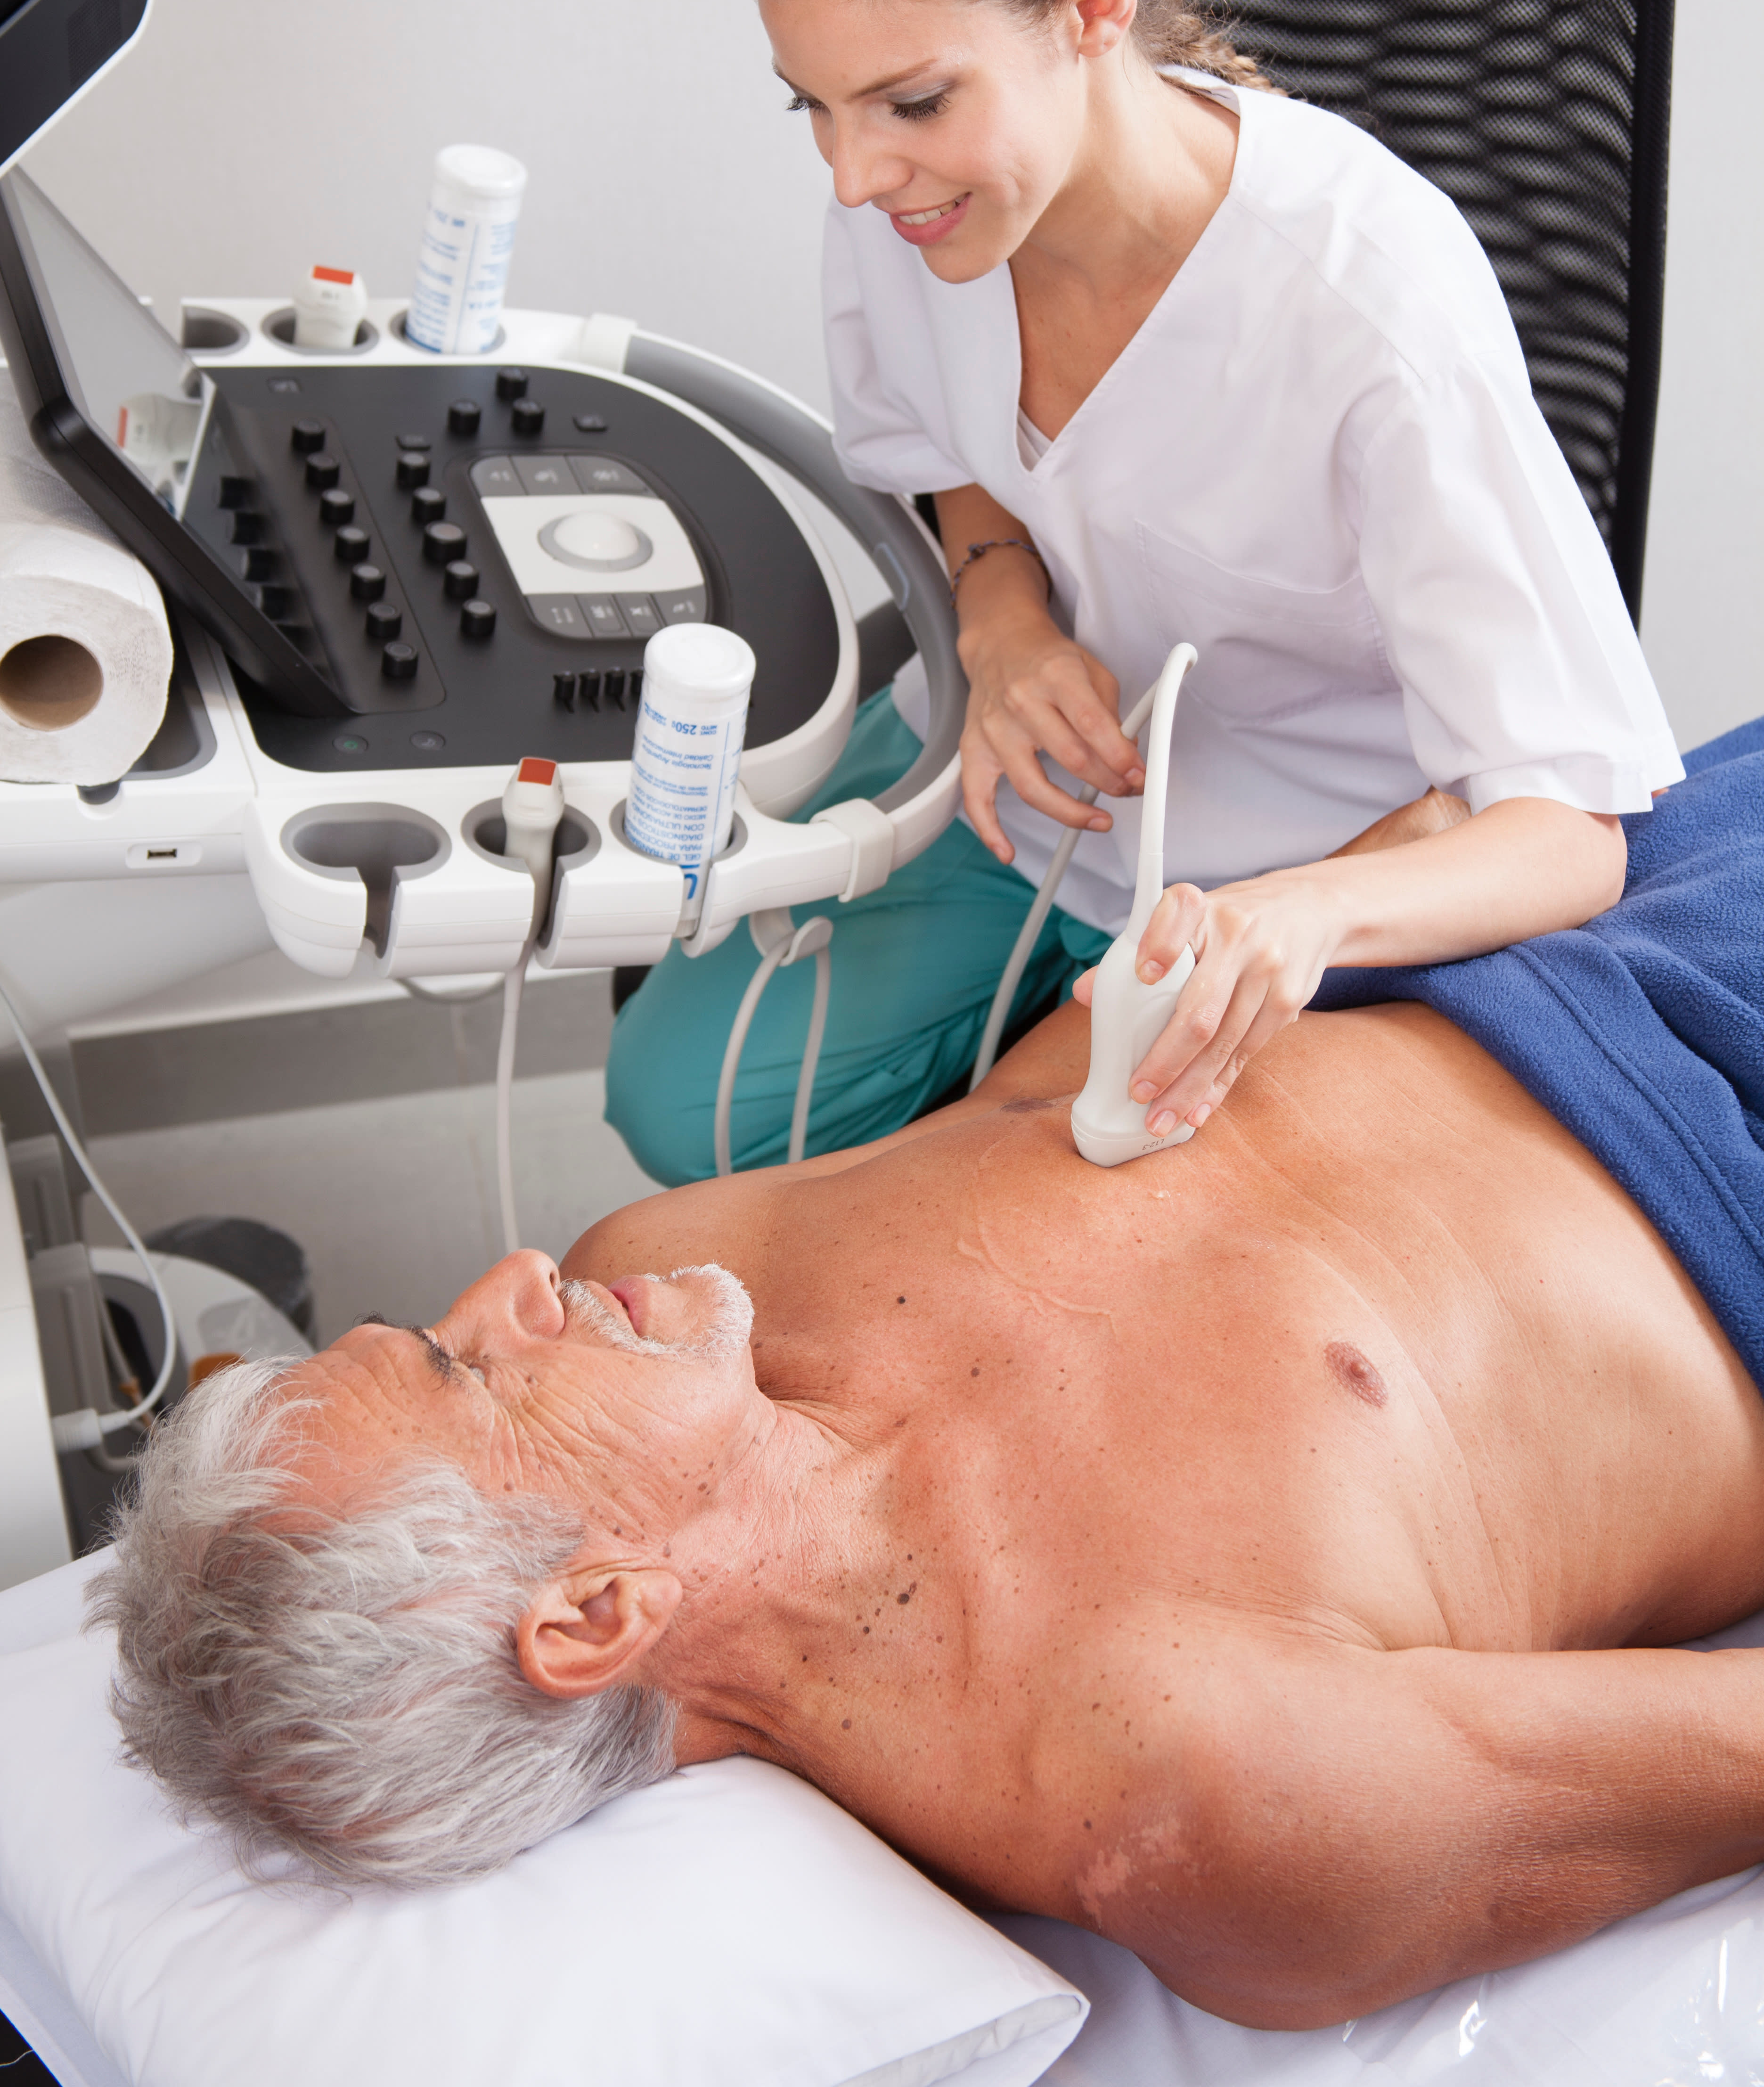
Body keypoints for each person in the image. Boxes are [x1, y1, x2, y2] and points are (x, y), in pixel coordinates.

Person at [98, 728, 1764, 2027]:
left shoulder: (679, 1259)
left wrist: (1417, 858)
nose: (516, 1281)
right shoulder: (1188, 1793)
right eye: (471, 1372)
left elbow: (1063, 1091)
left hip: (1587, 894)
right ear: (596, 1614)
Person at [606, 0, 1678, 1188]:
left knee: (1047, 1223)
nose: (852, 174)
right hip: (1030, 789)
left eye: (911, 102)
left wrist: (1301, 915)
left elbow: (1572, 831)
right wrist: (1001, 619)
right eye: (814, 108)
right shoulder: (922, 205)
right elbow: (956, 465)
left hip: (1299, 875)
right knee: (689, 1107)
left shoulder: (1367, 305)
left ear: (1095, 5)